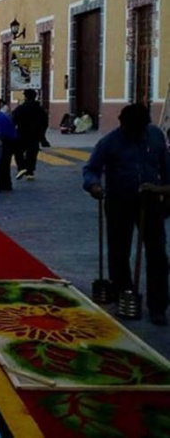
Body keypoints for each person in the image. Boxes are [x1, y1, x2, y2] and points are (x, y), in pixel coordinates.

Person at [84, 103, 170, 325]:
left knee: (157, 253)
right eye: (129, 130)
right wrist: (94, 186)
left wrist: (165, 193)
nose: (133, 135)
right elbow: (91, 168)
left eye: (137, 131)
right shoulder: (111, 141)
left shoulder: (155, 136)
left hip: (149, 201)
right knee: (119, 251)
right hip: (119, 200)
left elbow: (166, 168)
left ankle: (158, 305)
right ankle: (124, 293)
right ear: (122, 124)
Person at [13, 89, 49, 181]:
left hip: (21, 133)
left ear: (25, 97)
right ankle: (30, 172)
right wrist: (42, 136)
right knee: (32, 153)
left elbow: (13, 120)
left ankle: (21, 167)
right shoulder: (40, 109)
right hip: (35, 134)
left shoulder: (20, 108)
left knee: (18, 151)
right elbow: (45, 123)